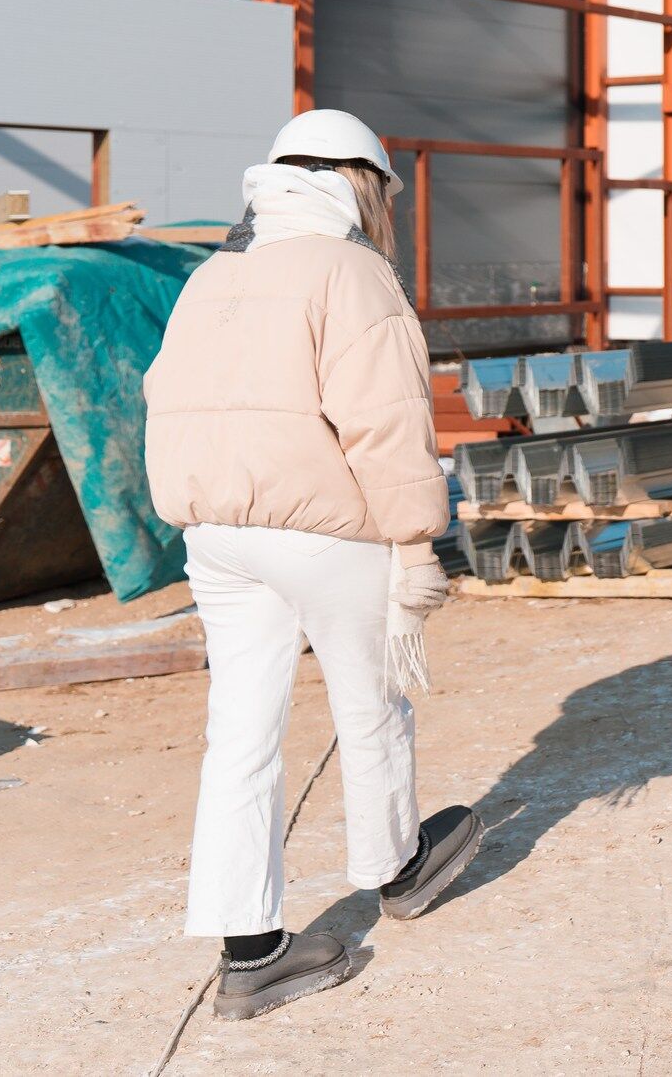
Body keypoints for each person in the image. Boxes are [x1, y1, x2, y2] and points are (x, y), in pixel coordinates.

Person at [144, 109, 483, 1020]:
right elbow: (386, 417)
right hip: (323, 528)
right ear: (360, 184)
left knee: (240, 734)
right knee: (371, 703)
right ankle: (398, 868)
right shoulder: (351, 270)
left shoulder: (212, 273)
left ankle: (250, 950)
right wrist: (416, 537)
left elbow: (161, 393)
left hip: (215, 533)